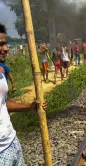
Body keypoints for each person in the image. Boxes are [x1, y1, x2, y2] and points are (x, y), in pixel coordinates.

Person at [0, 23, 47, 165]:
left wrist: (28, 107)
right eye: (1, 44)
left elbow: (2, 103)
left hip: (12, 141)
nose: (6, 49)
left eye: (6, 44)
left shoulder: (1, 73)